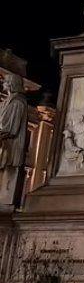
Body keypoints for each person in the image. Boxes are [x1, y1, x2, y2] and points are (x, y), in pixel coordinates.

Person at [0, 73, 28, 207]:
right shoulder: (7, 102)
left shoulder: (17, 103)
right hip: (4, 146)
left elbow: (8, 128)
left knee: (6, 181)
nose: (3, 83)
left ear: (11, 84)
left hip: (9, 148)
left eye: (5, 81)